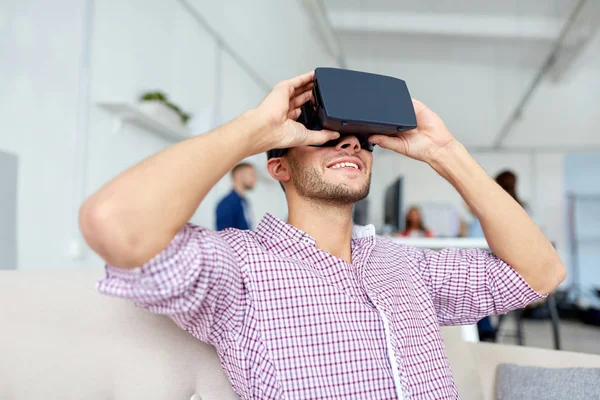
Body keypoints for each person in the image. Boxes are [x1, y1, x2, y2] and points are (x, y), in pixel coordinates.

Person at [79, 70, 566, 399]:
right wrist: (255, 128)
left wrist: (445, 152)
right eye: (325, 132)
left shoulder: (406, 265)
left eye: (362, 138)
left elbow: (541, 274)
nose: (350, 141)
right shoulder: (239, 268)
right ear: (278, 165)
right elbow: (113, 223)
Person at [468, 169, 530, 341]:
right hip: (524, 271)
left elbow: (473, 239)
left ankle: (484, 330)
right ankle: (485, 329)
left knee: (472, 279)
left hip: (505, 272)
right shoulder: (524, 210)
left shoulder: (492, 207)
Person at [215, 162, 256, 230]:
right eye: (251, 174)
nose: (254, 179)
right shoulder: (226, 204)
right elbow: (225, 235)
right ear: (238, 175)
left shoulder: (244, 202)